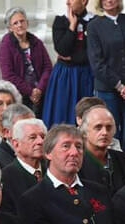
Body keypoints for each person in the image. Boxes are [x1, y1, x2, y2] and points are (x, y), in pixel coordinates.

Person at [18, 124, 113, 224]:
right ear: (48, 153)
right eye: (66, 146)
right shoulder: (33, 200)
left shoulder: (99, 191)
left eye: (79, 147)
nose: (74, 152)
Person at [87, 0, 125, 153]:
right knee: (110, 133)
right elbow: (97, 63)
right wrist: (120, 86)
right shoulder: (94, 25)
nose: (109, 1)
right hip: (107, 89)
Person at [42, 0, 96, 128]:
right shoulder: (60, 21)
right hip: (65, 76)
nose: (67, 2)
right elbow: (62, 49)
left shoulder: (94, 22)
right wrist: (72, 26)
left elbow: (93, 52)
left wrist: (73, 58)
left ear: (83, 1)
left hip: (86, 74)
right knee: (62, 113)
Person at [0, 7, 52, 117]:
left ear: (27, 23)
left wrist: (39, 89)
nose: (19, 25)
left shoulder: (36, 42)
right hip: (19, 94)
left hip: (40, 93)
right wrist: (30, 91)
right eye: (15, 23)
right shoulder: (6, 43)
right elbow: (8, 74)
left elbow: (47, 67)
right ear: (10, 28)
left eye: (22, 21)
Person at [78, 106, 125, 196]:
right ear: (84, 132)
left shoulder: (124, 160)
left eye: (109, 127)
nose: (104, 132)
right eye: (98, 127)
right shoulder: (76, 162)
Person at [1, 118, 47, 216]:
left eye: (43, 136)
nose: (40, 141)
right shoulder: (6, 177)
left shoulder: (52, 170)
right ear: (16, 144)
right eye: (33, 137)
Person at [0, 103, 35, 169]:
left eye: (33, 126)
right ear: (7, 132)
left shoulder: (40, 157)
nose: (31, 132)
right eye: (22, 127)